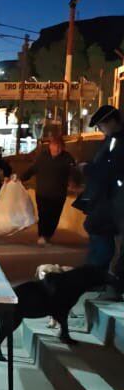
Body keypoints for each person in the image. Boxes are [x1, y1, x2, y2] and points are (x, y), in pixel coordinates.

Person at [82, 106, 124, 289]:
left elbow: (111, 169)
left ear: (112, 122)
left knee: (102, 244)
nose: (100, 130)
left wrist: (87, 169)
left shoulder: (118, 142)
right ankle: (96, 280)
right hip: (104, 202)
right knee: (99, 240)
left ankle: (98, 281)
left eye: (101, 126)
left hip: (110, 203)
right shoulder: (111, 140)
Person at [19, 134, 80, 245]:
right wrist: (20, 179)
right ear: (50, 146)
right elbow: (32, 169)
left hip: (58, 194)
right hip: (43, 192)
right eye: (55, 146)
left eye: (59, 146)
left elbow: (74, 172)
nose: (57, 149)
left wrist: (74, 183)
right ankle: (42, 235)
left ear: (63, 147)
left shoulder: (67, 158)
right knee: (43, 214)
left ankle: (48, 235)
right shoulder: (43, 157)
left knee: (54, 215)